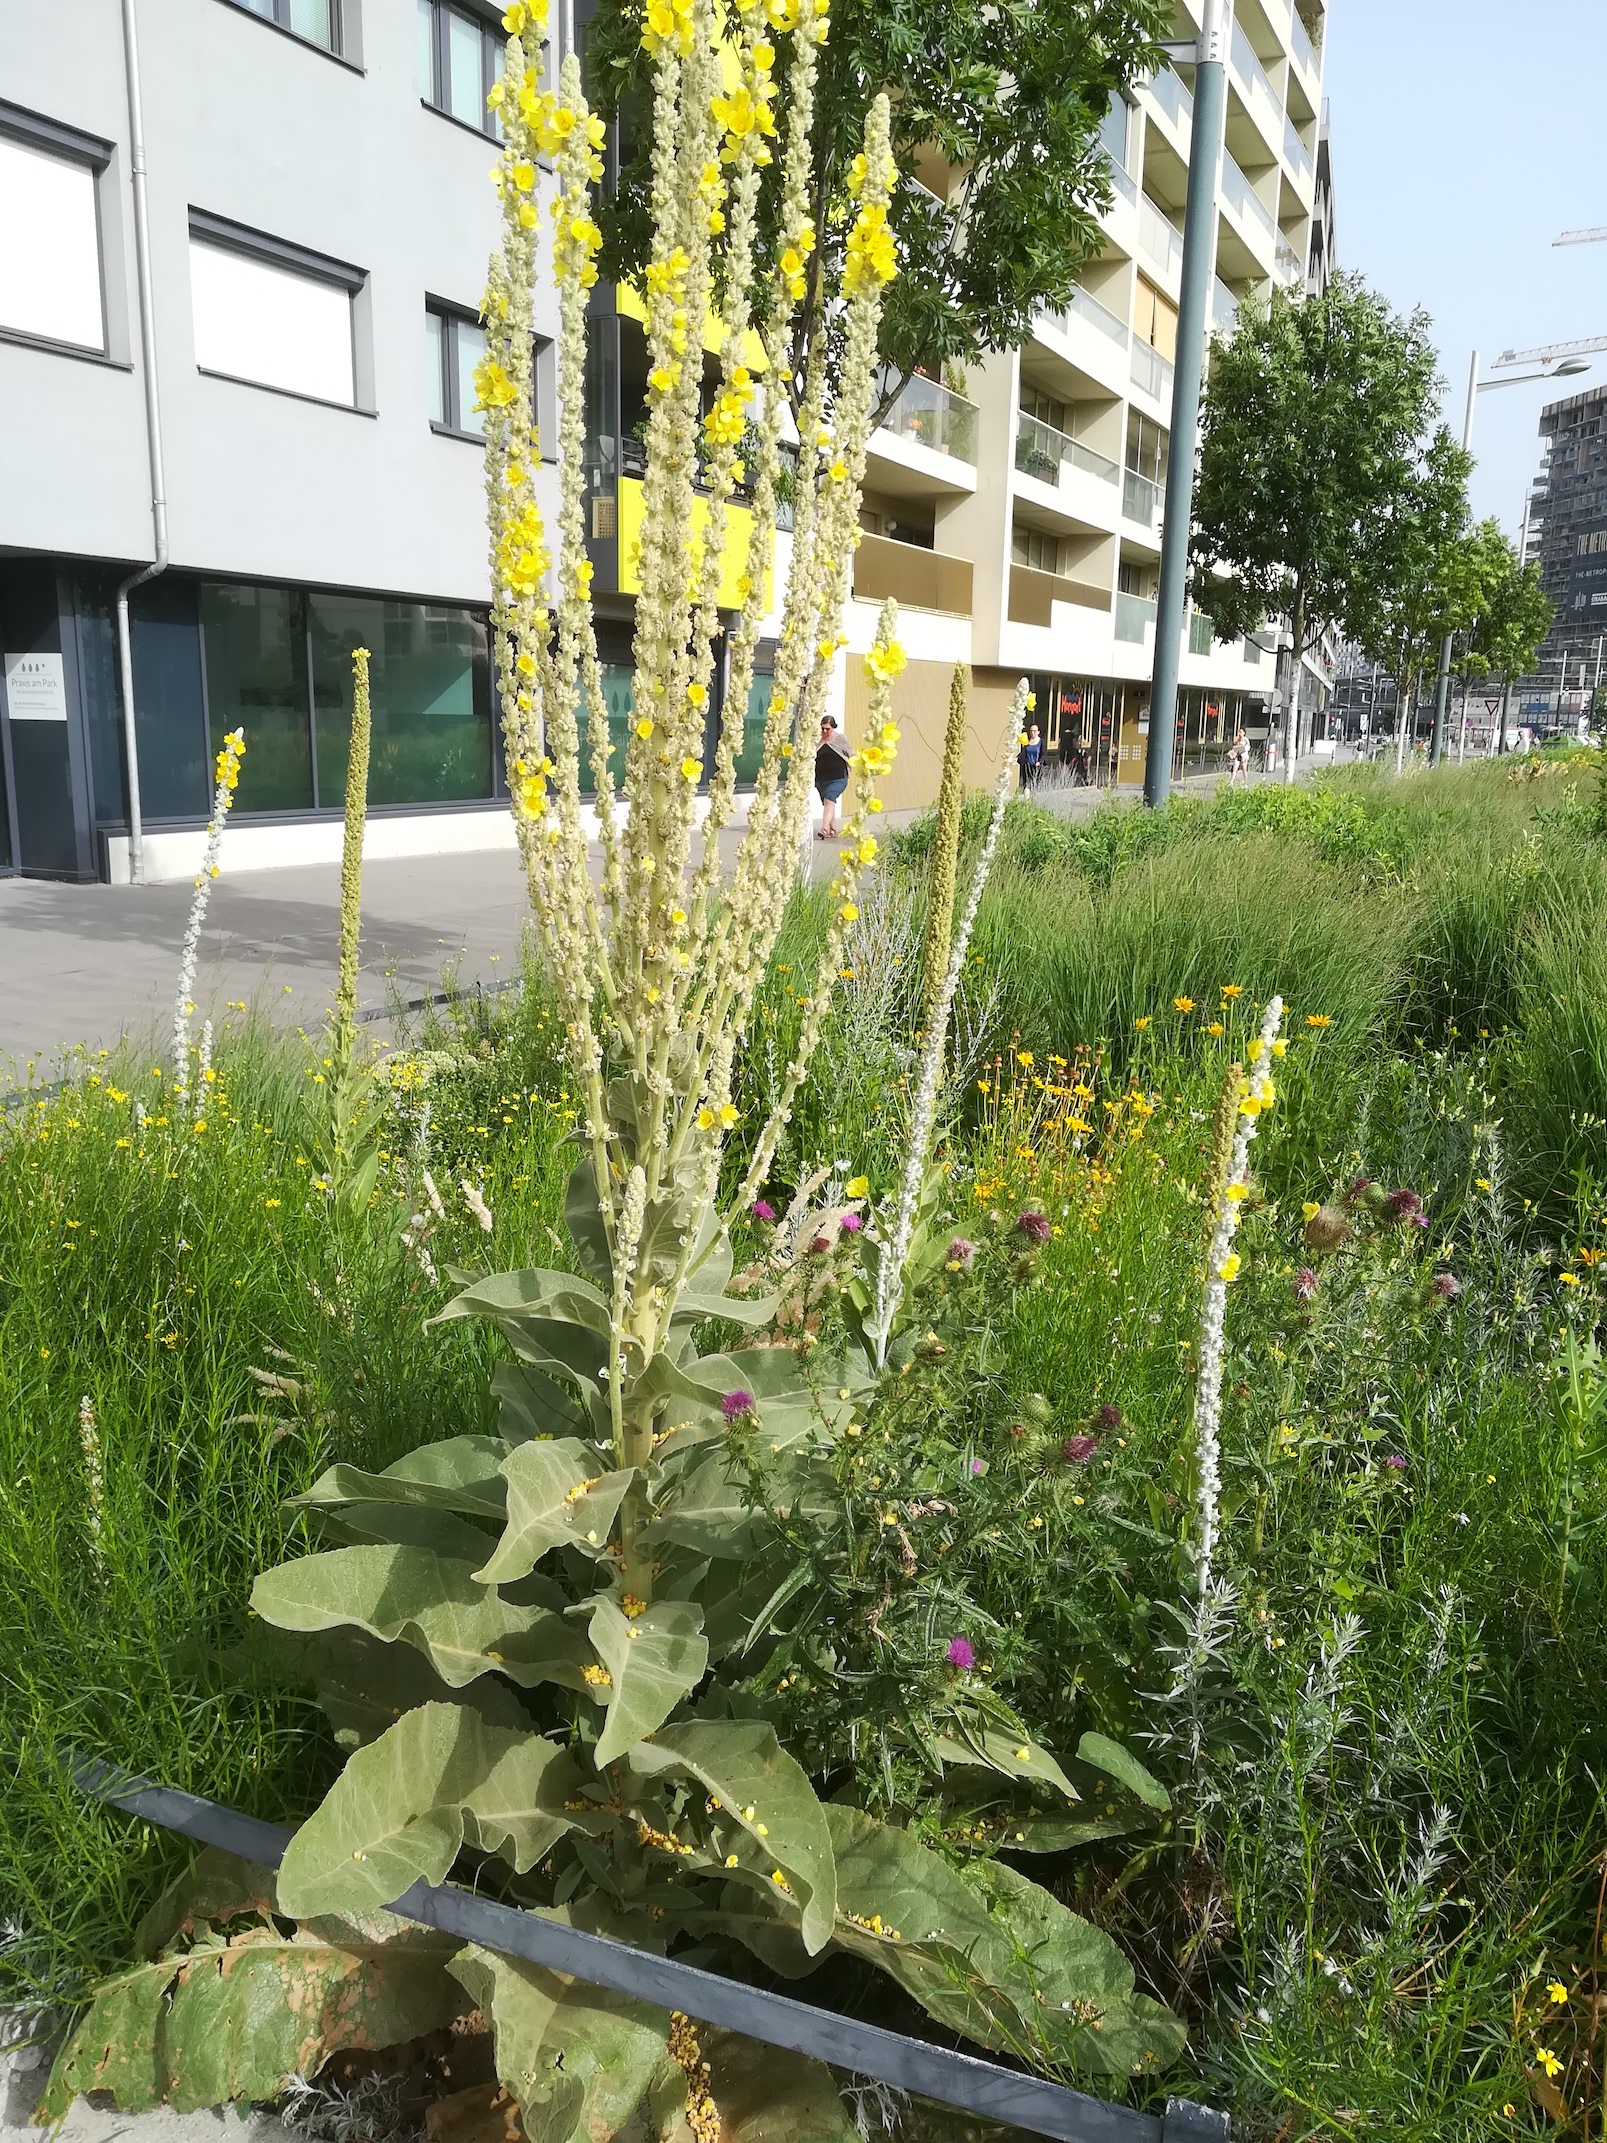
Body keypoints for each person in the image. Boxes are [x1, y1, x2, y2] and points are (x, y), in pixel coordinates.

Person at [814, 714, 850, 838]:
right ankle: (832, 829)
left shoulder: (840, 739)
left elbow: (850, 753)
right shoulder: (816, 740)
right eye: (822, 728)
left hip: (838, 778)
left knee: (829, 798)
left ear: (833, 728)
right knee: (828, 802)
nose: (824, 731)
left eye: (827, 729)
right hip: (821, 779)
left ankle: (824, 829)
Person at [1017, 722, 1043, 790]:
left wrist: (1039, 762)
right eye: (1031, 731)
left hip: (1036, 766)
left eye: (1034, 731)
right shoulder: (1026, 741)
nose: (1032, 733)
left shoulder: (1041, 741)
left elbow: (1043, 754)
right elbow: (1023, 752)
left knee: (1035, 784)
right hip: (1027, 765)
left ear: (1038, 732)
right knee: (1026, 785)